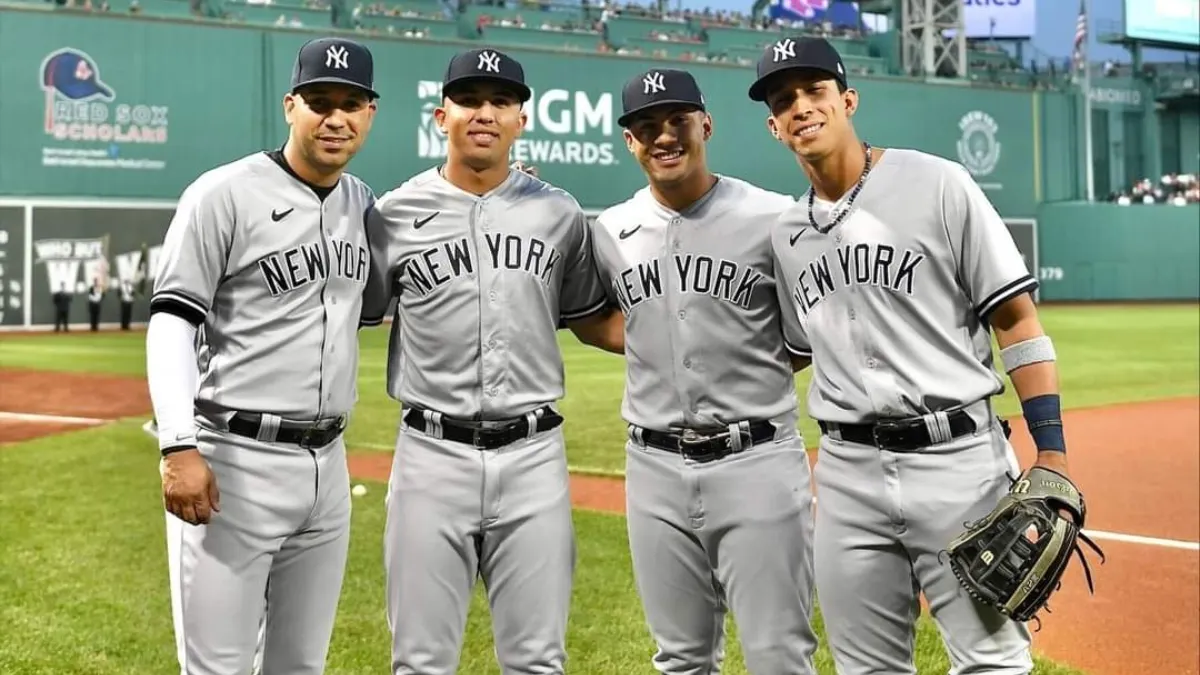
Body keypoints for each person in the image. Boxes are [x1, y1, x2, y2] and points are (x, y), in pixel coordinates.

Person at [751, 36, 1076, 674]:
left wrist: (1053, 449)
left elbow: (1017, 320)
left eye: (815, 91)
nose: (801, 107)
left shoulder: (937, 184)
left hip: (958, 465)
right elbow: (794, 352)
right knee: (866, 667)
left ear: (847, 100)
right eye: (783, 100)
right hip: (847, 474)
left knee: (994, 661)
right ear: (773, 126)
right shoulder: (787, 235)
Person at [361, 47, 624, 675]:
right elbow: (348, 311)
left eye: (501, 101)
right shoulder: (393, 216)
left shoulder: (558, 213)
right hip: (431, 454)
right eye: (470, 100)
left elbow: (592, 319)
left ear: (521, 119)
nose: (485, 113)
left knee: (537, 660)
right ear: (440, 115)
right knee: (421, 661)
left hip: (533, 455)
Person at [145, 36, 379, 675]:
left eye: (351, 104)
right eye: (320, 102)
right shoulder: (223, 194)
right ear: (290, 106)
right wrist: (176, 445)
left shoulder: (361, 203)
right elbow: (170, 323)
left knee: (301, 666)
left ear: (370, 114)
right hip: (233, 460)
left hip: (327, 465)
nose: (336, 119)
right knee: (218, 666)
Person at [589, 67, 819, 675]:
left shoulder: (774, 218)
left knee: (779, 656)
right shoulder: (610, 230)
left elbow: (805, 338)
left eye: (677, 121)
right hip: (654, 466)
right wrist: (657, 346)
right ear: (628, 141)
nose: (664, 136)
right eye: (646, 126)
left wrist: (734, 358)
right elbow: (595, 319)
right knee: (681, 658)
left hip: (758, 460)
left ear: (705, 125)